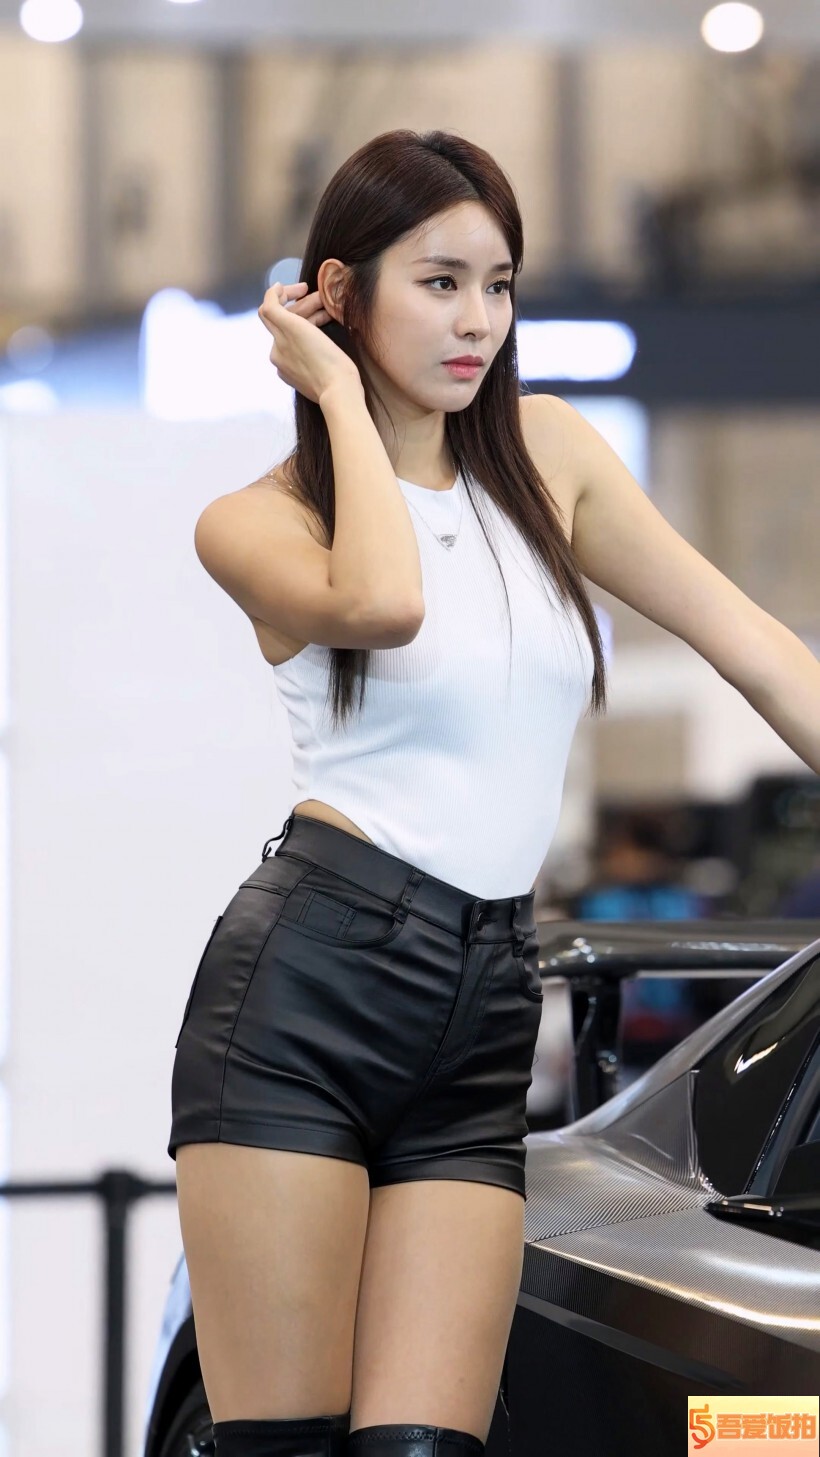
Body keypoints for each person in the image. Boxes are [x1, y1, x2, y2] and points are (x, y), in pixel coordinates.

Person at [167, 129, 820, 1457]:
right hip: (307, 999)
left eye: (500, 284)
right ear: (336, 293)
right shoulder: (255, 520)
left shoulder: (549, 453)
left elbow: (754, 645)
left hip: (484, 1006)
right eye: (440, 283)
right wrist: (340, 398)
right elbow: (385, 602)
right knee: (283, 1448)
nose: (479, 321)